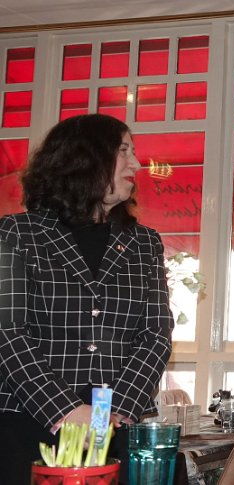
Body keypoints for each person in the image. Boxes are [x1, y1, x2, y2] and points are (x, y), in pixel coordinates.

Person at [0, 114, 174, 483]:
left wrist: (113, 413)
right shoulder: (16, 233)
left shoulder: (145, 242)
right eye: (124, 151)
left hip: (118, 424)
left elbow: (156, 334)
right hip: (29, 422)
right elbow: (8, 333)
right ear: (84, 158)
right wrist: (64, 411)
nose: (137, 164)